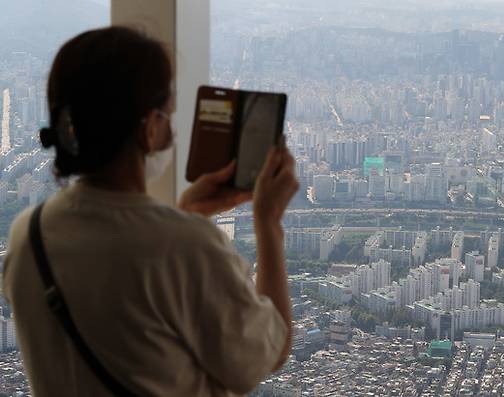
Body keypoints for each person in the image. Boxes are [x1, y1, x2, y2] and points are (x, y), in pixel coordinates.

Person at [2, 26, 298, 396]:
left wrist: (185, 214)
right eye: (167, 114)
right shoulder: (185, 246)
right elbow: (268, 352)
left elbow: (122, 317)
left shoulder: (27, 234)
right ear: (148, 128)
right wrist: (268, 224)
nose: (172, 129)